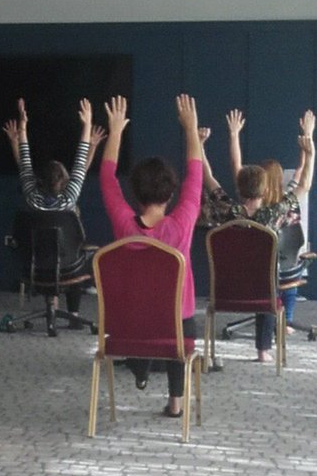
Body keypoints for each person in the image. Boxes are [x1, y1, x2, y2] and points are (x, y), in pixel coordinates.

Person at [100, 94, 203, 419]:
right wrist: (190, 129)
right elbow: (196, 175)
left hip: (128, 325)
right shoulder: (181, 225)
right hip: (173, 323)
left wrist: (116, 131)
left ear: (135, 193)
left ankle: (139, 365)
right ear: (171, 193)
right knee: (184, 321)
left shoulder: (122, 224)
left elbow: (106, 178)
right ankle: (176, 403)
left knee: (141, 321)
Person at [201, 108, 315, 361]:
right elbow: (304, 184)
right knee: (267, 284)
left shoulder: (228, 211)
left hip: (226, 288)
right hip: (263, 290)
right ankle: (263, 351)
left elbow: (208, 177)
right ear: (265, 189)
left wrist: (199, 146)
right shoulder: (273, 214)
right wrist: (310, 147)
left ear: (239, 187)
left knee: (263, 281)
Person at [2, 98, 105, 325]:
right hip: (69, 269)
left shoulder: (31, 195)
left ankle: (52, 309)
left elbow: (25, 162)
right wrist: (87, 125)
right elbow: (80, 163)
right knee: (76, 253)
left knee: (51, 253)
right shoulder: (70, 198)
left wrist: (23, 126)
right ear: (66, 181)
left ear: (39, 180)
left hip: (34, 269)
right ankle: (74, 316)